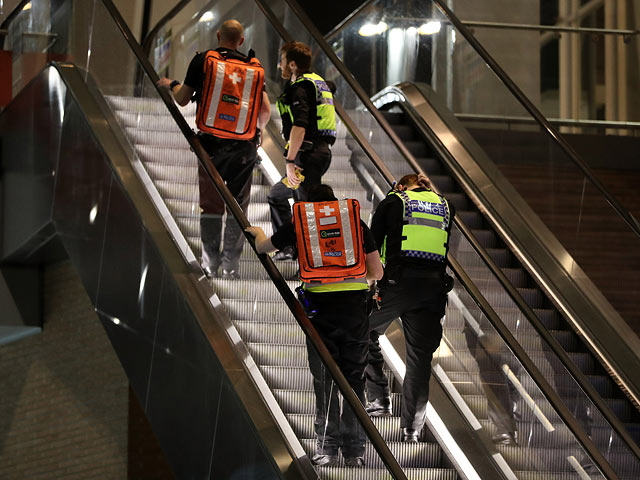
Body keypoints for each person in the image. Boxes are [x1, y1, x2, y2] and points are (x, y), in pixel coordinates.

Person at [246, 184, 383, 468]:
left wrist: (258, 233)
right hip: (355, 313)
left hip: (320, 312)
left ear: (310, 203)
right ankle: (355, 451)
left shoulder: (304, 221)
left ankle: (327, 449)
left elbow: (265, 247)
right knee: (354, 381)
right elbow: (377, 272)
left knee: (325, 380)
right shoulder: (354, 222)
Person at [158, 19, 271, 279]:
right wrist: (258, 131)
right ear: (241, 41)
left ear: (218, 35)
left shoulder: (203, 61)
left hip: (210, 146)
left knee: (211, 206)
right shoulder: (253, 68)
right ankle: (231, 267)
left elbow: (183, 99)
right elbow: (264, 109)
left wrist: (173, 83)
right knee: (238, 207)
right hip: (244, 147)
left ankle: (209, 265)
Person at [364, 173, 455, 442]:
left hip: (396, 285)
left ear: (401, 186)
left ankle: (379, 397)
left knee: (361, 330)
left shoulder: (394, 201)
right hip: (432, 291)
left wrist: (370, 289)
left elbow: (371, 246)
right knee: (419, 361)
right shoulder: (446, 205)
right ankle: (411, 429)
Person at [267, 41, 337, 261]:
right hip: (316, 154)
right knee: (277, 195)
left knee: (306, 211)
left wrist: (289, 161)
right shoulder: (319, 82)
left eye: (283, 61)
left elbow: (300, 125)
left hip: (306, 157)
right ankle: (289, 247)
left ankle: (310, 262)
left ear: (294, 65)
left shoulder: (301, 87)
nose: (280, 66)